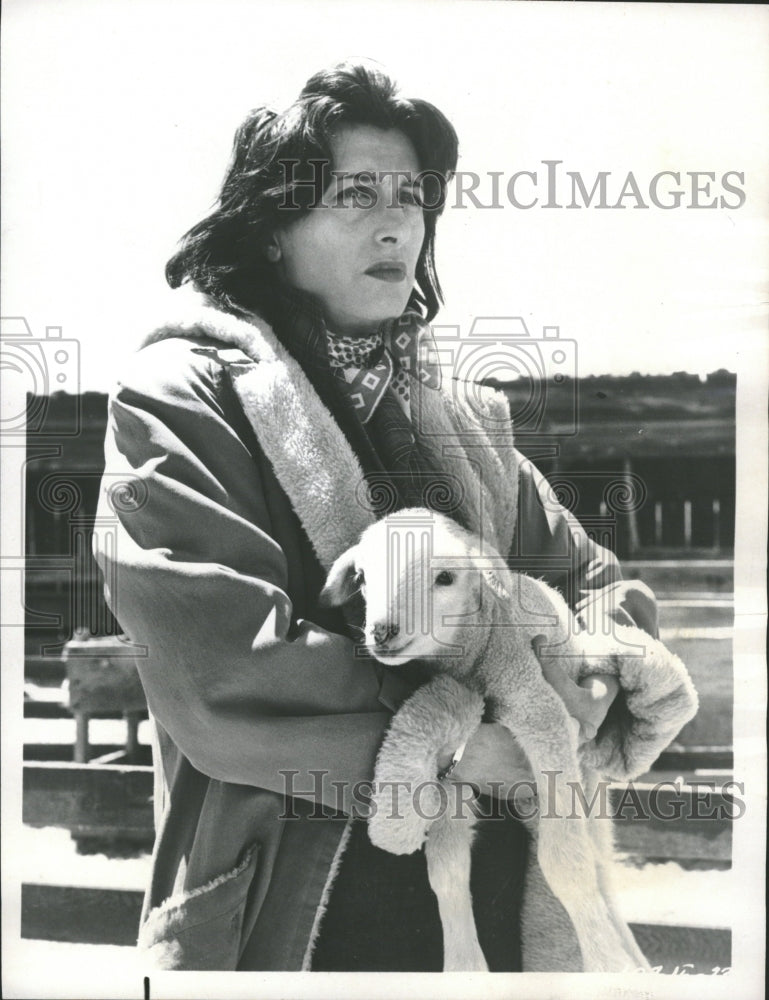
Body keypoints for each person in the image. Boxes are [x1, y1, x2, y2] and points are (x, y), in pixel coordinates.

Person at [94, 61, 694, 972]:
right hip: (296, 922)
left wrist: (595, 672)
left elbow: (590, 588)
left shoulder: (463, 420)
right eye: (354, 195)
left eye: (411, 197)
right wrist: (473, 738)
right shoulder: (180, 397)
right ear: (270, 232)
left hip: (500, 928)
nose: (394, 223)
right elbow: (218, 671)